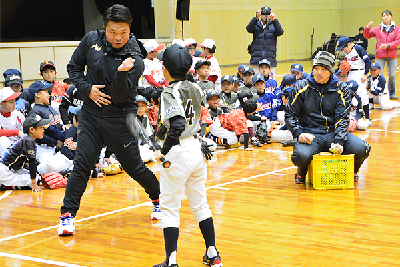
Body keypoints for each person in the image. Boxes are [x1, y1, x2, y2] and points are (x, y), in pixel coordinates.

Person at [57, 4, 161, 236]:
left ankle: (157, 198)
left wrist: (123, 72)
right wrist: (87, 89)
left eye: (123, 32)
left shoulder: (135, 57)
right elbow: (73, 68)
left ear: (129, 30)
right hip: (92, 116)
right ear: (104, 28)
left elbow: (120, 95)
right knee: (81, 165)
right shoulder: (90, 40)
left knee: (134, 168)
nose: (118, 37)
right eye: (113, 31)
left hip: (121, 118)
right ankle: (67, 216)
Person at [153, 44, 222, 267]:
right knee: (200, 204)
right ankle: (213, 254)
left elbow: (177, 124)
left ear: (165, 69)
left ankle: (171, 261)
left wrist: (163, 151)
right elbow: (196, 118)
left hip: (178, 151)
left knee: (169, 207)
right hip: (195, 148)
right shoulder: (196, 88)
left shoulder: (168, 92)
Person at [285, 51, 371, 184]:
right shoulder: (301, 87)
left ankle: (353, 170)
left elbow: (342, 117)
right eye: (316, 68)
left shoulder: (341, 88)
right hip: (310, 135)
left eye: (323, 69)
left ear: (330, 72)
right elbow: (290, 114)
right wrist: (299, 133)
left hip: (332, 134)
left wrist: (340, 140)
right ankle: (301, 171)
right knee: (300, 156)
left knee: (362, 149)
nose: (319, 73)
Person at [0, 114, 48, 192]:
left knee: (37, 176)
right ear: (32, 130)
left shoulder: (28, 139)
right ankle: (4, 185)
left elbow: (29, 162)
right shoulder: (28, 140)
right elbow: (32, 162)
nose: (43, 130)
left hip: (13, 169)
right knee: (34, 180)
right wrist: (33, 183)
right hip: (5, 171)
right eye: (41, 128)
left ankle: (7, 184)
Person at [364, 9, 400, 99]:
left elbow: (397, 41)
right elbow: (366, 35)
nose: (385, 17)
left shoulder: (396, 28)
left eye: (387, 15)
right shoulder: (377, 29)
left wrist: (388, 46)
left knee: (392, 76)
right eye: (383, 16)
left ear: (391, 17)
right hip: (380, 55)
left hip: (392, 55)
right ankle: (379, 93)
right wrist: (368, 27)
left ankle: (391, 93)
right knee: (379, 75)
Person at [336, 36, 371, 123]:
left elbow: (368, 61)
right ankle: (353, 115)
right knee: (350, 93)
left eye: (344, 48)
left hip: (360, 73)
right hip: (351, 73)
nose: (343, 50)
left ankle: (367, 118)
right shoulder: (347, 53)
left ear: (349, 44)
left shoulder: (358, 48)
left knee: (362, 95)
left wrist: (365, 74)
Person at [246, 6, 284, 75]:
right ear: (260, 14)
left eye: (267, 14)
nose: (265, 16)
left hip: (270, 60)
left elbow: (280, 32)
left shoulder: (274, 25)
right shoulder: (256, 24)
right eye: (263, 14)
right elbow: (248, 29)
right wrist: (255, 18)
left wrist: (274, 20)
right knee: (256, 82)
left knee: (270, 84)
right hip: (257, 59)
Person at [0, 87, 25, 157]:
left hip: (16, 145)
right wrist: (15, 132)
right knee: (3, 141)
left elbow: (25, 131)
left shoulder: (18, 115)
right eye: (11, 102)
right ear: (1, 103)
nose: (14, 104)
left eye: (14, 101)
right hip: (3, 148)